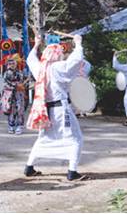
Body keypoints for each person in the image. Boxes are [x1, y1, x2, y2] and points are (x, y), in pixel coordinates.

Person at [24, 34, 86, 181]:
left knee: (44, 138)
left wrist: (36, 44)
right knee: (75, 138)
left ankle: (29, 167)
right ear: (57, 54)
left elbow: (30, 59)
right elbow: (76, 61)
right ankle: (72, 171)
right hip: (60, 108)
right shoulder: (58, 67)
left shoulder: (40, 68)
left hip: (45, 109)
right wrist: (78, 43)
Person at [0, 55, 26, 135]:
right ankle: (11, 125)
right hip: (9, 94)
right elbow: (4, 83)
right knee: (11, 109)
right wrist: (14, 86)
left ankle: (19, 126)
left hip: (19, 94)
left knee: (20, 109)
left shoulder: (20, 72)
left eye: (13, 63)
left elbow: (24, 82)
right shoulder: (6, 73)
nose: (11, 65)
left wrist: (23, 86)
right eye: (10, 63)